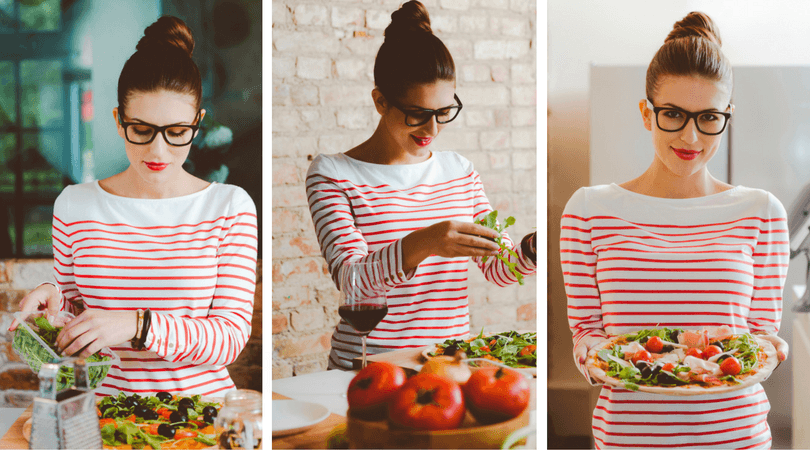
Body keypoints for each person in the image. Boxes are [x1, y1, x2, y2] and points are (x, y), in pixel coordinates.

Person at [561, 12, 789, 449]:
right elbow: (587, 334)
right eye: (673, 114)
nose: (690, 137)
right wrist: (591, 356)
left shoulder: (762, 212)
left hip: (735, 438)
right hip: (630, 438)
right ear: (647, 114)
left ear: (727, 117)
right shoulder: (588, 210)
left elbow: (760, 337)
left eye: (708, 118)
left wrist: (769, 350)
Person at [8, 16, 258, 397]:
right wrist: (52, 307)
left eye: (177, 132)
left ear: (197, 122)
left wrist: (137, 325)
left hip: (200, 418)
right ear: (119, 120)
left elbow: (228, 338)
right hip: (99, 417)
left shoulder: (229, 207)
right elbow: (78, 318)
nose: (158, 151)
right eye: (141, 130)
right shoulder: (75, 205)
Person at [305, 0, 537, 370]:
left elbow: (499, 268)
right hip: (370, 368)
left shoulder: (459, 170)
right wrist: (426, 241)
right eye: (417, 114)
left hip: (450, 365)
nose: (432, 130)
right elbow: (353, 283)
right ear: (380, 102)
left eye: (444, 112)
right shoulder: (333, 174)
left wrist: (531, 248)